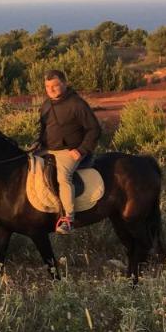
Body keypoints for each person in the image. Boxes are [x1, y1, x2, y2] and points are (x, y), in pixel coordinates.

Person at [35, 69, 101, 235]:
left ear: (64, 84)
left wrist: (81, 150)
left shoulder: (76, 104)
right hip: (47, 149)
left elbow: (94, 129)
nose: (50, 90)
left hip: (69, 151)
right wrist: (37, 144)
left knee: (63, 177)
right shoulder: (46, 105)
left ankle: (68, 219)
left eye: (55, 86)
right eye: (47, 86)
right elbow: (43, 129)